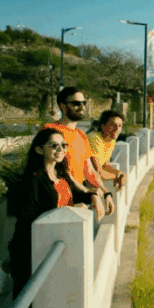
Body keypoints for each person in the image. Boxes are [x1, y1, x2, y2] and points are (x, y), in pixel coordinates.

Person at [0, 128, 99, 308]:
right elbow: (27, 218)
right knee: (25, 305)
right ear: (39, 149)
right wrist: (65, 212)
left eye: (63, 146)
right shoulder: (32, 180)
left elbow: (78, 194)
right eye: (54, 146)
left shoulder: (61, 175)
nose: (60, 150)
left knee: (45, 301)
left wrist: (95, 195)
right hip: (29, 249)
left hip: (55, 246)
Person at [41, 87, 114, 220]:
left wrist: (106, 192)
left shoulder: (81, 135)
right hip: (56, 201)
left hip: (78, 198)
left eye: (83, 103)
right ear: (63, 106)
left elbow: (90, 172)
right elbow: (48, 169)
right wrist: (89, 193)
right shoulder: (50, 130)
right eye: (76, 103)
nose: (81, 107)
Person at [88, 110, 126, 189]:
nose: (117, 129)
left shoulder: (111, 140)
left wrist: (119, 173)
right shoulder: (95, 139)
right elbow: (98, 172)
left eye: (120, 126)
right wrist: (115, 176)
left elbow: (104, 165)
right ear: (103, 126)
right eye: (113, 125)